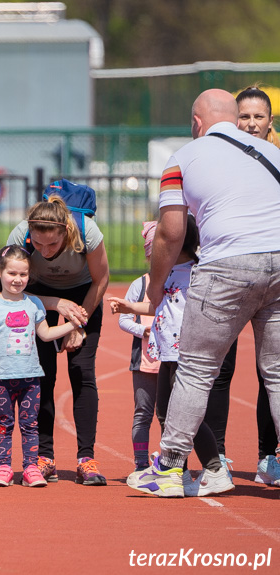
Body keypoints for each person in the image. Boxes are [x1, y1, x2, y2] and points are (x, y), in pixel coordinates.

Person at [129, 89, 280, 497]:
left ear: (197, 121)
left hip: (226, 265)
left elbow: (171, 232)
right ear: (236, 118)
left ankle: (171, 468)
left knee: (196, 369)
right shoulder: (274, 153)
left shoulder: (183, 157)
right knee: (278, 374)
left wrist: (155, 287)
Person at [112, 215, 234, 497]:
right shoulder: (166, 273)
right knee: (166, 414)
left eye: (160, 241)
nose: (154, 248)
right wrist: (128, 306)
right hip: (167, 353)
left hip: (187, 354)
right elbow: (158, 306)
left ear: (178, 241)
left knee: (185, 416)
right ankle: (177, 472)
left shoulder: (197, 273)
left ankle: (214, 468)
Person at [203, 85, 280, 484]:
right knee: (218, 367)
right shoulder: (217, 158)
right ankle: (218, 455)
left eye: (259, 117)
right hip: (223, 273)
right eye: (244, 116)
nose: (251, 123)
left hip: (275, 275)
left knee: (273, 371)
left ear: (271, 121)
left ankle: (270, 456)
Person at [5, 192, 109, 485]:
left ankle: (86, 459)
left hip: (84, 294)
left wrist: (79, 322)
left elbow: (102, 279)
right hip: (38, 295)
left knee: (81, 371)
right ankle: (44, 457)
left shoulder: (87, 230)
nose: (45, 250)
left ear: (66, 231)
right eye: (38, 244)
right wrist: (53, 304)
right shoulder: (19, 236)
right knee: (43, 375)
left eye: (52, 243)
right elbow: (10, 287)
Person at [0, 245, 82, 488]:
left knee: (30, 424)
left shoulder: (33, 304)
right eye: (12, 273)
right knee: (4, 423)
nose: (18, 279)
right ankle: (3, 467)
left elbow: (45, 334)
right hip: (1, 376)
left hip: (31, 377)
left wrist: (73, 325)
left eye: (23, 274)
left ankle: (31, 467)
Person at [115, 222, 160, 472]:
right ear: (148, 254)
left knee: (170, 416)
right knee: (143, 411)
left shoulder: (181, 282)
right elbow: (123, 319)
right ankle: (141, 464)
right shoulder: (139, 285)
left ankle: (172, 462)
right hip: (144, 360)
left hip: (174, 360)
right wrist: (142, 329)